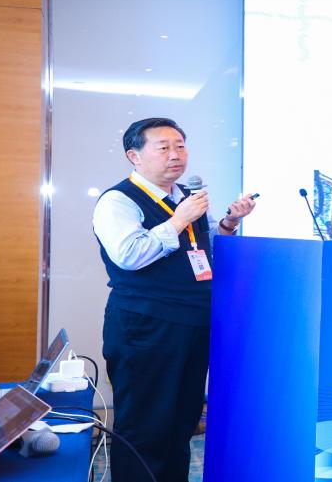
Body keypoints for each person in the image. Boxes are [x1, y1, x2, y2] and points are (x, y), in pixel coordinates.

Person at [93, 117, 255, 482]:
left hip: (193, 324)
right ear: (134, 155)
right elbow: (130, 255)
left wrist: (229, 222)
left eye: (180, 146)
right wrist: (178, 220)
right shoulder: (117, 201)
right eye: (163, 147)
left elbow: (204, 246)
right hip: (146, 327)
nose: (175, 155)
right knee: (144, 425)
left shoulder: (184, 196)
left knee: (181, 423)